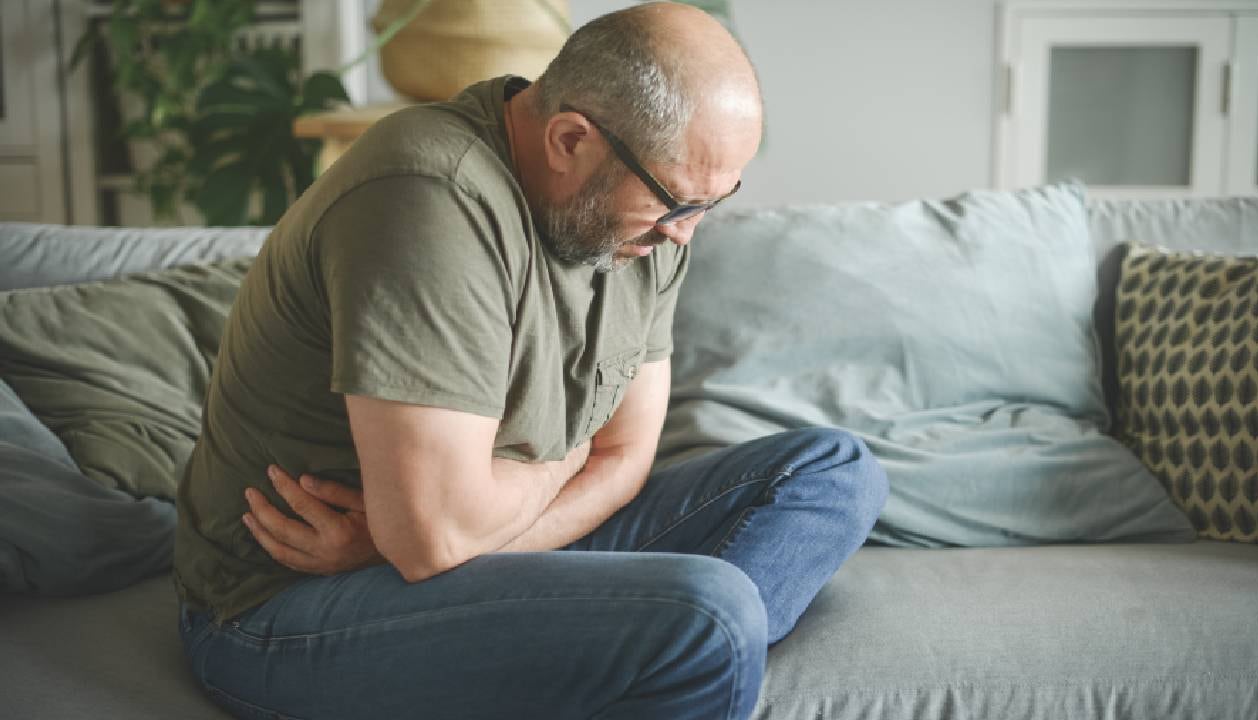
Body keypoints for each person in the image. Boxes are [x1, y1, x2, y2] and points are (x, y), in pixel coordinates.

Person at [173, 3, 889, 719]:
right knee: (713, 612)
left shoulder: (648, 227)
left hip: (409, 554)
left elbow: (626, 458)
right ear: (570, 138)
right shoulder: (427, 195)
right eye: (676, 201)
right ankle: (668, 657)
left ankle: (646, 663)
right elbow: (437, 536)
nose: (685, 236)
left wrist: (422, 539)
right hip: (286, 611)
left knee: (833, 472)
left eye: (715, 200)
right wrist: (562, 465)